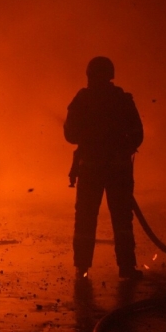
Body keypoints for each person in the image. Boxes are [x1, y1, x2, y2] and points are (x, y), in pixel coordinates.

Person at [64, 56, 144, 280]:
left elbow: (69, 134)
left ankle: (82, 268)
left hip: (90, 170)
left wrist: (90, 137)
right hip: (118, 171)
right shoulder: (122, 100)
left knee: (86, 220)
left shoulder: (83, 100)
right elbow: (138, 134)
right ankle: (126, 268)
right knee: (122, 220)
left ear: (89, 75)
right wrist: (120, 145)